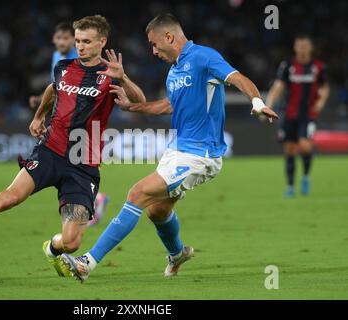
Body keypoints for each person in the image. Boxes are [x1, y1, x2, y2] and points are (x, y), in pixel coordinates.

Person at [59, 13, 279, 282]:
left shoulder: (203, 57)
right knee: (157, 211)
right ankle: (178, 254)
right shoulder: (175, 70)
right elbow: (169, 105)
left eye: (154, 44)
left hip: (201, 154)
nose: (153, 51)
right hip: (177, 150)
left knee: (137, 193)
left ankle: (87, 262)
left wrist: (257, 102)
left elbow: (238, 78)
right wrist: (133, 107)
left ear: (170, 37)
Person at [0, 15, 145, 277]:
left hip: (82, 165)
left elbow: (139, 102)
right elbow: (52, 90)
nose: (80, 46)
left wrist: (124, 78)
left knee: (72, 242)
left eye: (86, 41)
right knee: (9, 197)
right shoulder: (64, 67)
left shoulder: (110, 77)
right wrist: (39, 115)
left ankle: (52, 249)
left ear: (102, 41)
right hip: (49, 151)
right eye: (77, 41)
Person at [25, 21, 109, 224]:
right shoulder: (58, 58)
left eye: (67, 38)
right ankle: (94, 200)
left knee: (76, 169)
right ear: (54, 39)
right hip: (64, 129)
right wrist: (41, 103)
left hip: (82, 131)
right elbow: (57, 88)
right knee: (67, 170)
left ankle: (94, 201)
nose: (63, 42)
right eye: (59, 38)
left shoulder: (79, 58)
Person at [266, 35, 330, 197]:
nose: (302, 49)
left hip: (308, 114)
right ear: (295, 48)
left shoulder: (318, 67)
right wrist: (268, 105)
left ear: (310, 48)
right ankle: (290, 187)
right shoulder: (287, 66)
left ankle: (306, 176)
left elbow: (324, 87)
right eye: (299, 46)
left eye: (304, 46)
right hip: (289, 114)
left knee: (305, 145)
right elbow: (278, 86)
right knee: (290, 149)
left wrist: (321, 101)